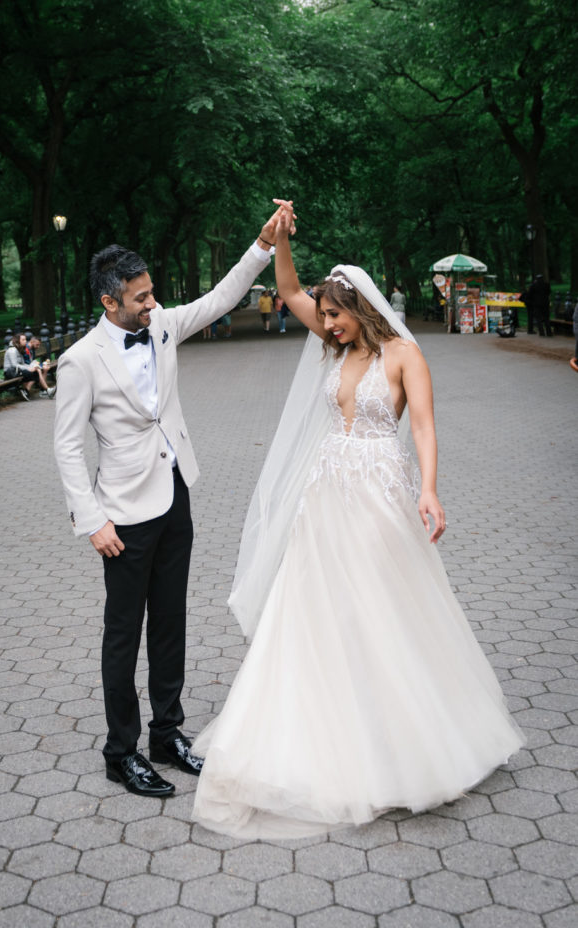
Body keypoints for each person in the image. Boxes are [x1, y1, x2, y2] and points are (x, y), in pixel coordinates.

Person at [192, 200, 524, 839]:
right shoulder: (331, 343)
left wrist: (429, 490)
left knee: (379, 605)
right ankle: (330, 728)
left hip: (380, 490)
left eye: (337, 317)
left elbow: (422, 425)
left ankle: (408, 738)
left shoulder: (403, 355)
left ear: (362, 310)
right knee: (319, 608)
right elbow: (287, 289)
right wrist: (278, 237)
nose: (330, 328)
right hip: (326, 494)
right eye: (327, 318)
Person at [53, 208, 279, 799]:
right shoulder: (81, 361)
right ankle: (120, 751)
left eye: (153, 294)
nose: (153, 304)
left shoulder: (161, 326)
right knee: (123, 633)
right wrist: (92, 518)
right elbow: (67, 446)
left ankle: (167, 733)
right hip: (122, 518)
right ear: (110, 302)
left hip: (175, 495)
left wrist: (260, 244)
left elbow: (221, 298)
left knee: (171, 622)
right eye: (141, 297)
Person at [4, 332, 55, 400]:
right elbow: (14, 365)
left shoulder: (19, 349)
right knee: (34, 372)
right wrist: (29, 369)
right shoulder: (12, 350)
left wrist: (30, 368)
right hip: (10, 372)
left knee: (36, 372)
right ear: (17, 341)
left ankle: (26, 391)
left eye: (25, 339)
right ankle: (44, 390)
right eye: (23, 340)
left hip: (17, 371)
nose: (25, 341)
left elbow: (22, 364)